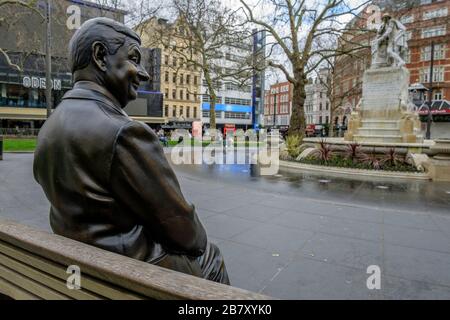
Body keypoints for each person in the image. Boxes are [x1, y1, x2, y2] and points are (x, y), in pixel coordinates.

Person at [33, 18, 229, 284]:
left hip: (80, 271)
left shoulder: (48, 129)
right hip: (129, 273)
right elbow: (184, 231)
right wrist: (198, 242)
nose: (144, 73)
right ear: (100, 56)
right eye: (134, 59)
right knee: (210, 256)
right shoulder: (123, 132)